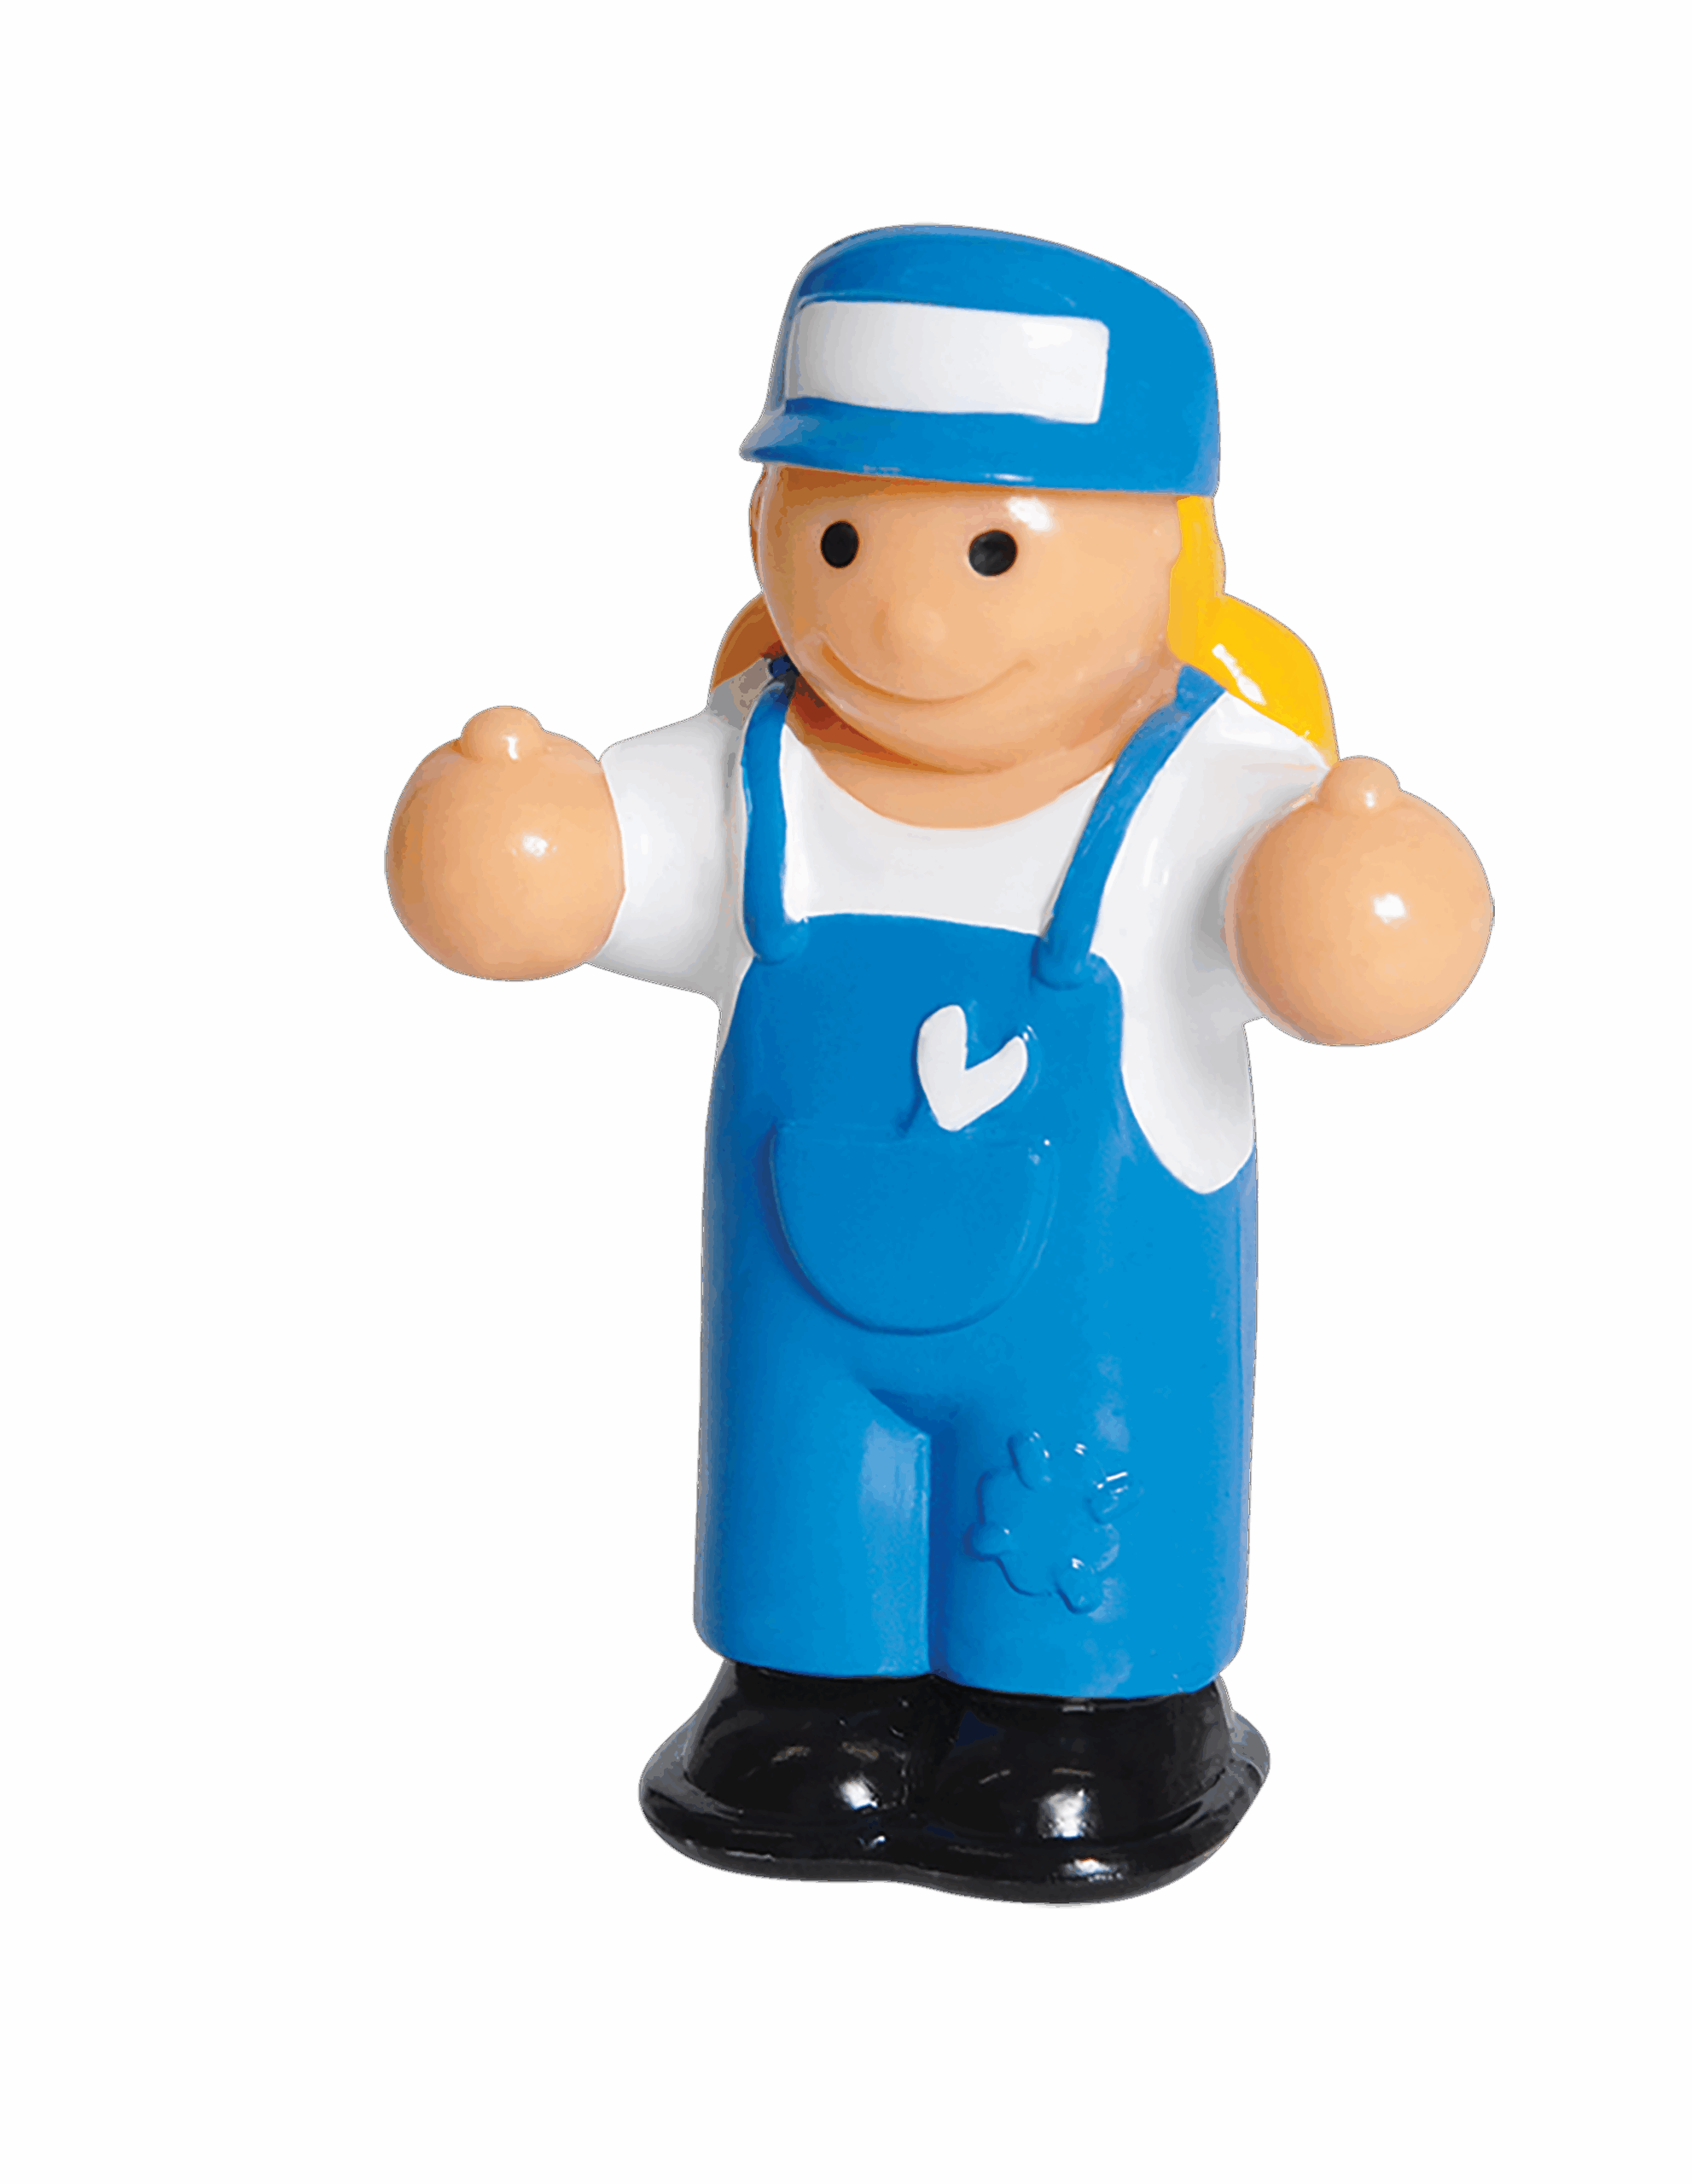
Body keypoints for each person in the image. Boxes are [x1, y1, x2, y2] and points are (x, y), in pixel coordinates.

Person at [386, 226, 1491, 1902]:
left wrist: (1349, 893)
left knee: (1079, 1545)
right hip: (803, 1323)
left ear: (1166, 553)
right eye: (840, 535)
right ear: (770, 522)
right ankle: (808, 1699)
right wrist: (510, 835)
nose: (899, 611)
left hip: (1090, 1337)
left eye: (988, 549)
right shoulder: (753, 764)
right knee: (804, 1512)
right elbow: (583, 868)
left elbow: (1351, 941)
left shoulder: (1204, 795)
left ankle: (1098, 1721)